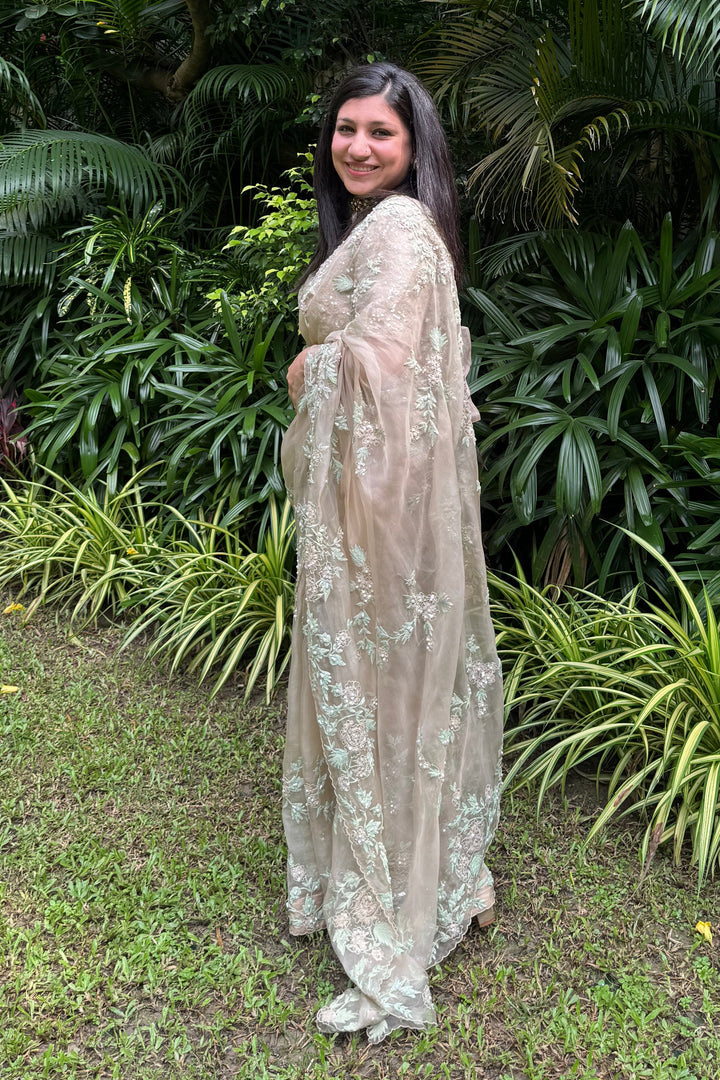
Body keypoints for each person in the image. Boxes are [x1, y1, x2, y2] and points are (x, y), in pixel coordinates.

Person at [280, 62, 503, 1044]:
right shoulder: (387, 230)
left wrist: (310, 365)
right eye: (347, 129)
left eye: (381, 132)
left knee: (391, 685)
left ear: (415, 147)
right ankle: (431, 865)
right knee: (394, 686)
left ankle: (410, 880)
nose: (359, 146)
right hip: (374, 500)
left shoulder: (402, 230)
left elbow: (386, 371)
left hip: (385, 511)